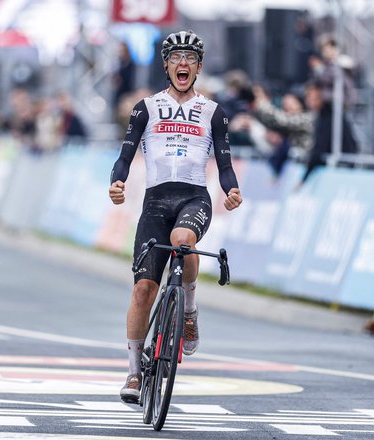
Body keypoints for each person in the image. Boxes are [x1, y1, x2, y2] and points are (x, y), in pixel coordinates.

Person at [108, 30, 243, 404]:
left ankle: (189, 311)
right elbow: (125, 154)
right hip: (155, 200)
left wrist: (231, 189)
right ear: (166, 65)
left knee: (185, 241)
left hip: (194, 197)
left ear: (198, 67)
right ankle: (134, 372)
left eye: (190, 58)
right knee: (142, 291)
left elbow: (224, 162)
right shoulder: (146, 107)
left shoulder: (213, 112)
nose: (182, 63)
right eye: (175, 57)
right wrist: (117, 182)